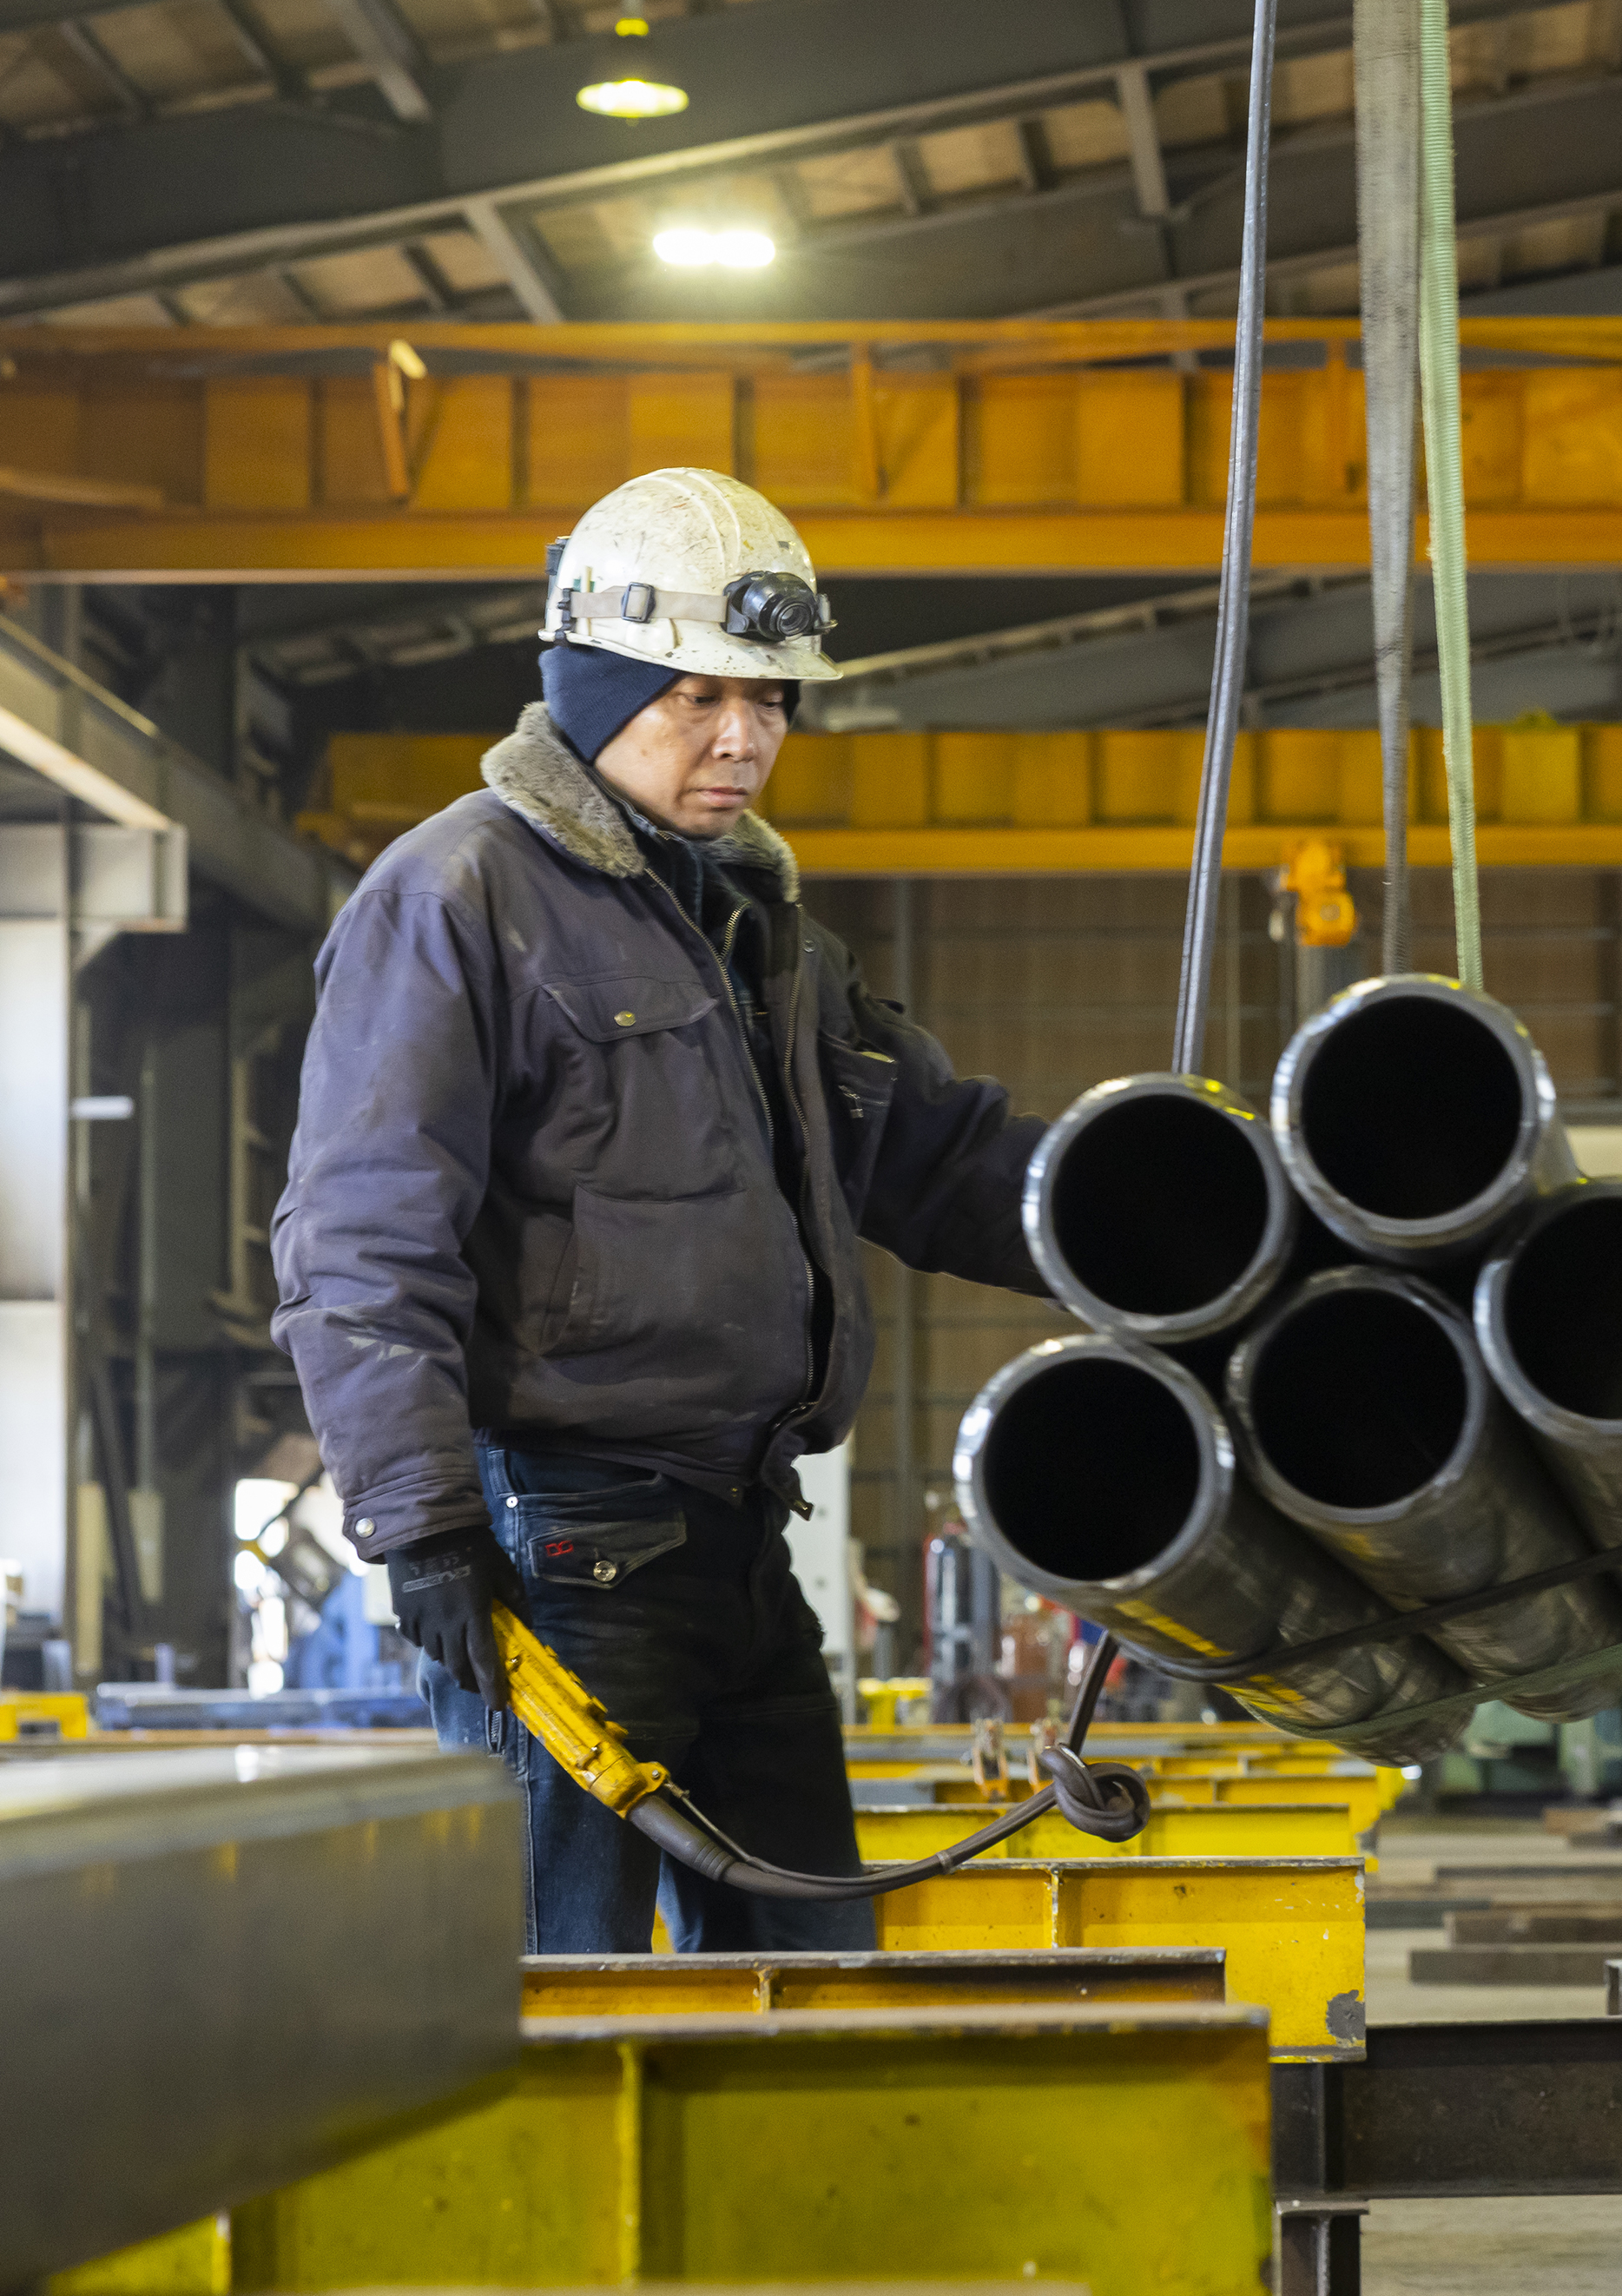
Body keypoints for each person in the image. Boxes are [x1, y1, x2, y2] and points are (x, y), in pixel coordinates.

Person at [272, 468, 1050, 1952]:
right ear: (594, 681)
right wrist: (421, 1525)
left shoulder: (762, 934)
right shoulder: (455, 898)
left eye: (770, 700)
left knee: (811, 1985)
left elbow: (943, 1162)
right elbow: (361, 1242)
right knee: (556, 1997)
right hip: (557, 1551)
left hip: (738, 1541)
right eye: (697, 697)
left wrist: (1193, 1234)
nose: (745, 739)